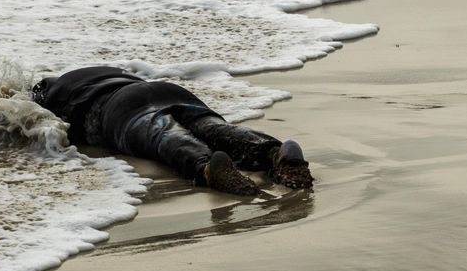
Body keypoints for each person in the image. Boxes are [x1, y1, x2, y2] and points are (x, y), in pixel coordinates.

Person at [31, 66, 313, 195]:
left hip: (119, 108)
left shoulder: (52, 94)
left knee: (164, 135)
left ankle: (205, 168)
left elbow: (42, 128)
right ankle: (274, 153)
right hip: (164, 89)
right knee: (211, 126)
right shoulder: (100, 71)